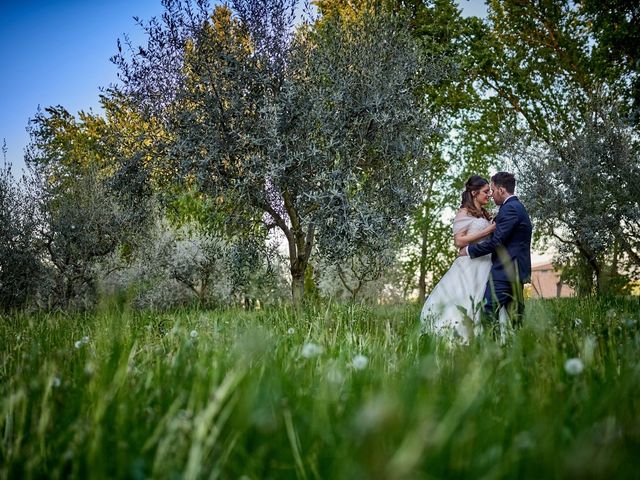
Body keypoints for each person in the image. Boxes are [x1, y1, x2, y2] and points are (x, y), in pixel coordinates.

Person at [420, 175, 496, 343]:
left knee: (481, 301)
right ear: (474, 192)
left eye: (490, 191)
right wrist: (487, 230)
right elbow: (458, 241)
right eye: (485, 191)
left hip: (485, 264)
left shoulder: (484, 213)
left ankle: (481, 337)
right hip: (470, 264)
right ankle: (458, 337)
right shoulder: (463, 212)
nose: (489, 194)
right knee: (464, 299)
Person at [459, 172, 532, 337]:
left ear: (501, 189)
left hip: (505, 273)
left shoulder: (510, 208)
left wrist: (469, 250)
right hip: (515, 271)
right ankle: (515, 350)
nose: (491, 194)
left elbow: (496, 242)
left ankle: (493, 349)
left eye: (492, 189)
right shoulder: (517, 207)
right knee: (515, 317)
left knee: (488, 311)